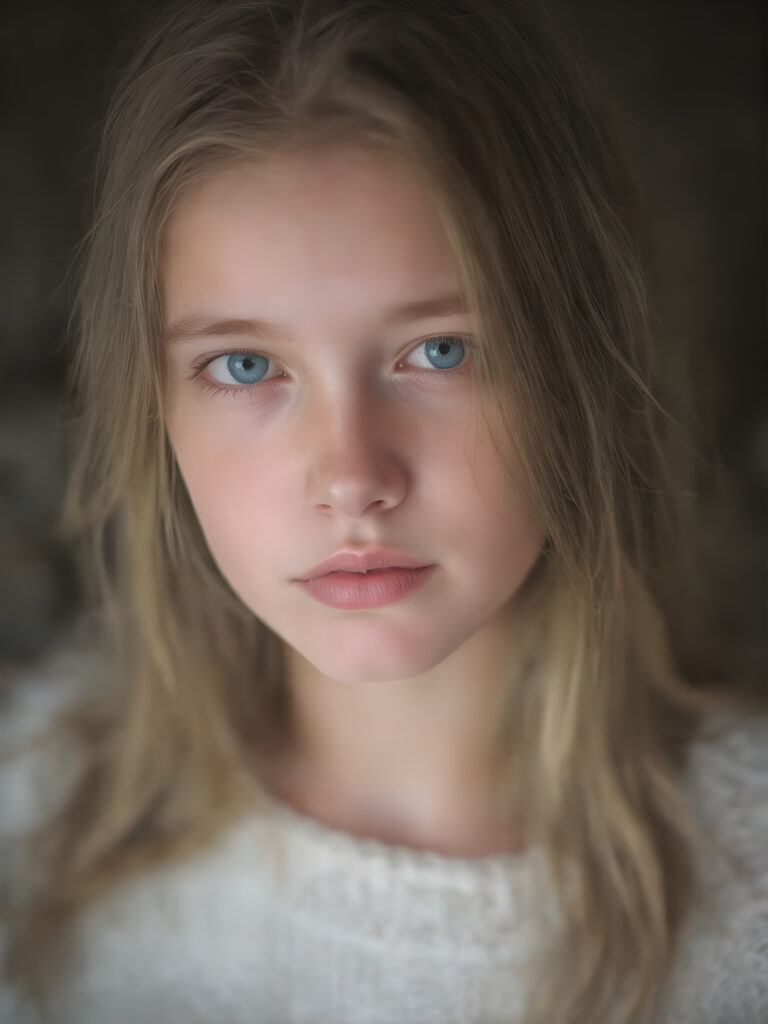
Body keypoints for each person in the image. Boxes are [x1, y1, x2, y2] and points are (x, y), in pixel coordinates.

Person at [0, 0, 766, 1021]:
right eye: (244, 365)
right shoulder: (40, 815)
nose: (352, 476)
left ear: (578, 364)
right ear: (155, 409)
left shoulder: (747, 901)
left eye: (439, 350)